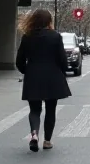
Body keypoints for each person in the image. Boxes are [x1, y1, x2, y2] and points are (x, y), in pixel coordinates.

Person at [16, 8, 72, 152]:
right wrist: (63, 72)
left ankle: (34, 134)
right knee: (51, 109)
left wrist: (27, 72)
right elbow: (62, 60)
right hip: (52, 77)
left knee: (34, 110)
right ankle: (47, 141)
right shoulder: (55, 36)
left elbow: (19, 61)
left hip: (33, 77)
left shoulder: (27, 36)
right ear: (49, 21)